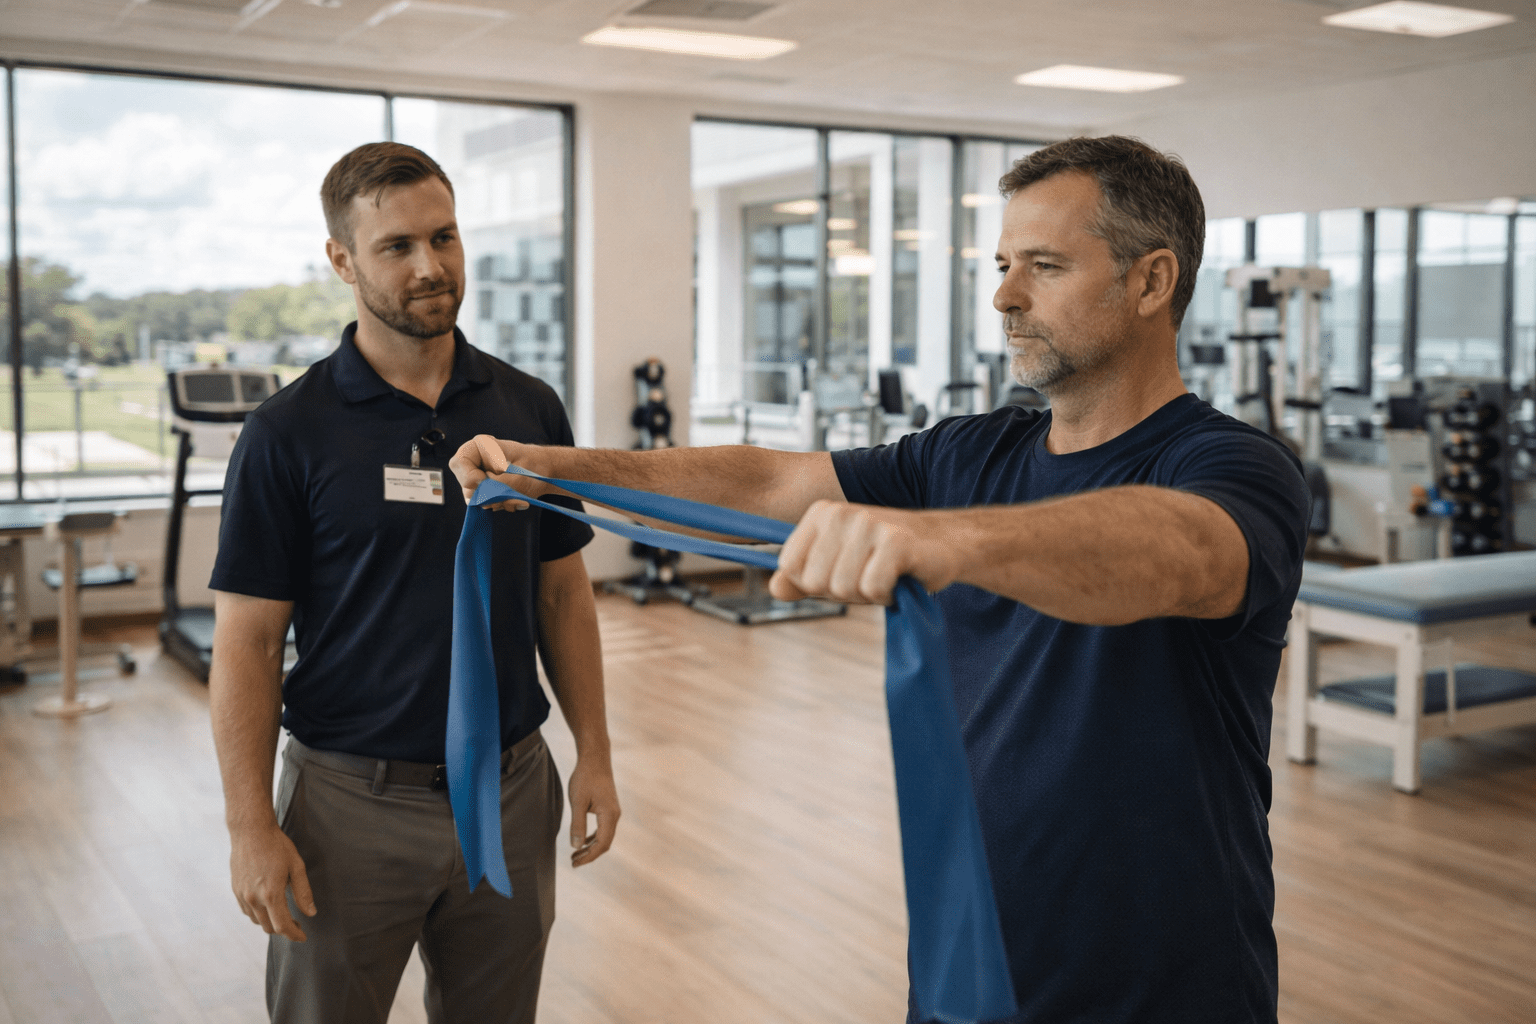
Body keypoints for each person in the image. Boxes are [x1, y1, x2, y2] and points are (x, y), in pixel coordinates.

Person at [451, 135, 1307, 1023]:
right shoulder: (972, 450)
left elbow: (1189, 552)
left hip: (1162, 985)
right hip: (969, 962)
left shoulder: (1232, 465)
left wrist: (953, 542)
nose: (1005, 297)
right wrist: (557, 470)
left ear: (1152, 281)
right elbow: (772, 482)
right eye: (1005, 263)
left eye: (1043, 267)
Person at [208, 141, 619, 1024]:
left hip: (510, 792)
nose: (430, 267)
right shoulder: (288, 433)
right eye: (397, 246)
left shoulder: (529, 409)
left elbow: (562, 593)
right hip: (348, 806)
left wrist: (596, 751)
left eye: (446, 237)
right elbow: (246, 640)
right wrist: (251, 827)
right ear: (343, 261)